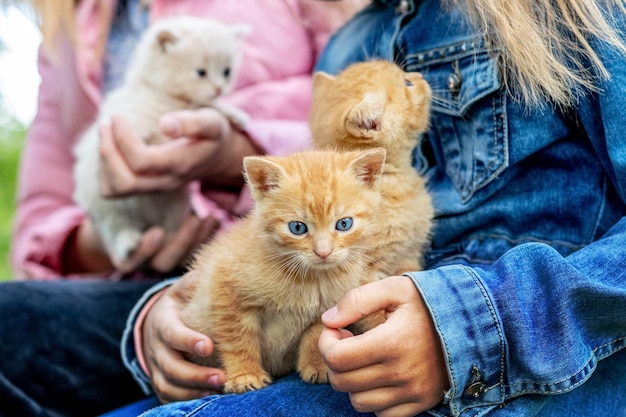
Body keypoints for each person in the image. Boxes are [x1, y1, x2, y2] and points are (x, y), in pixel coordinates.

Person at [132, 0, 626, 416]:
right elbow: (284, 218)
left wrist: (465, 328)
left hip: (531, 361)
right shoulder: (351, 40)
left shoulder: (568, 13)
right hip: (350, 333)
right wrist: (161, 312)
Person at [0, 0, 367, 416]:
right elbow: (40, 218)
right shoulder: (66, 24)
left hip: (278, 258)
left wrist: (235, 156)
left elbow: (367, 131)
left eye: (225, 74)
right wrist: (111, 238)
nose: (215, 88)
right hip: (135, 285)